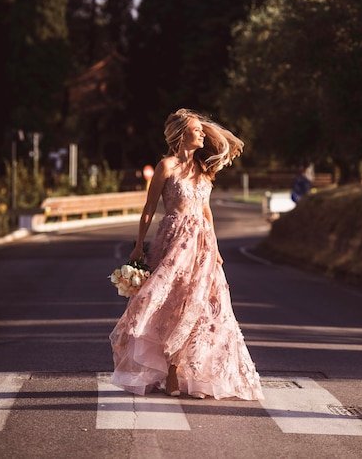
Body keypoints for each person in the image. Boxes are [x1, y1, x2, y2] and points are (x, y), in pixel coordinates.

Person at [109, 108, 264, 401]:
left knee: (205, 307)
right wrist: (139, 245)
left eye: (203, 130)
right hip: (173, 244)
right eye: (197, 130)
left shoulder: (203, 170)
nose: (203, 133)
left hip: (202, 246)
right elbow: (148, 210)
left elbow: (206, 212)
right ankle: (169, 373)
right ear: (181, 135)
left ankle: (189, 371)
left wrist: (215, 248)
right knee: (172, 305)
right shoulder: (165, 167)